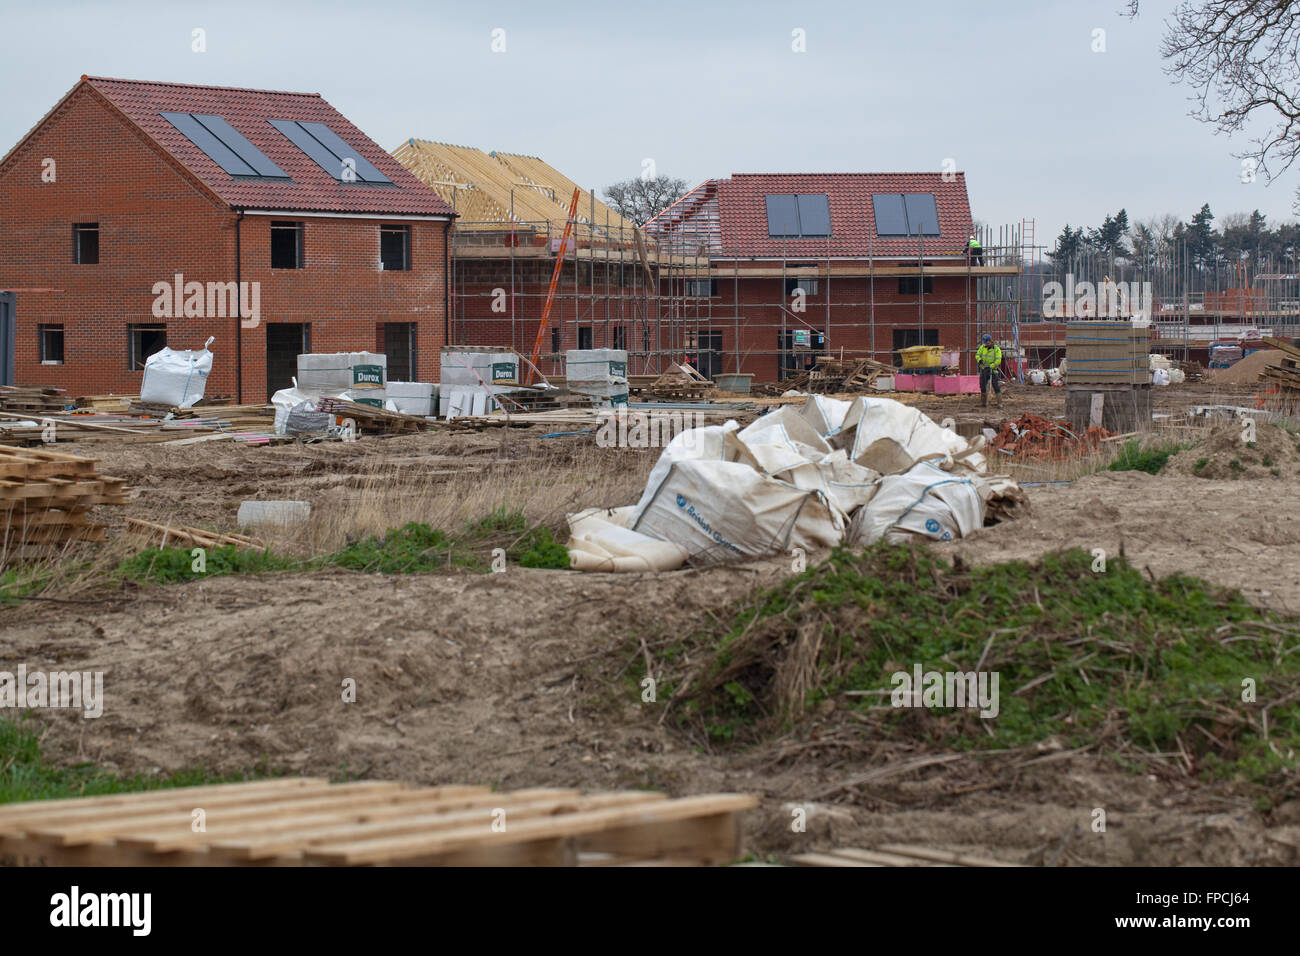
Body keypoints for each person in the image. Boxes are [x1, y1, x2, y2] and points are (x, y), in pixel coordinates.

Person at [976, 333, 1002, 408]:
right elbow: (977, 355)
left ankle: (1000, 403)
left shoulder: (996, 349)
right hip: (984, 369)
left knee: (995, 385)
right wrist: (979, 360)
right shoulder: (982, 347)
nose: (986, 344)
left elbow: (998, 360)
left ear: (991, 341)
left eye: (987, 342)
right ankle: (983, 403)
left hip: (992, 370)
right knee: (982, 385)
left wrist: (991, 366)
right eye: (985, 343)